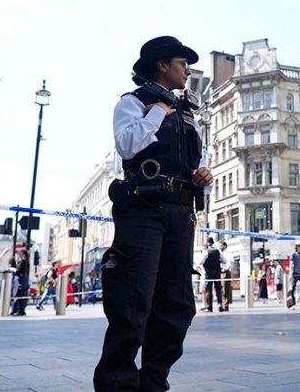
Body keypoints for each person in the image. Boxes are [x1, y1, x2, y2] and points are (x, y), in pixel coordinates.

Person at [94, 36, 214, 392]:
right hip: (142, 210)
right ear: (162, 65)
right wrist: (158, 111)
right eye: (182, 63)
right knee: (133, 301)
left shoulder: (189, 114)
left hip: (180, 213)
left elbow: (199, 159)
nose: (188, 71)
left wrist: (203, 176)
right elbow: (127, 145)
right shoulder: (133, 103)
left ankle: (153, 383)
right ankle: (117, 385)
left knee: (176, 305)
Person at [196, 237, 228, 312]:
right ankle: (220, 305)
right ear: (213, 243)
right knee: (218, 289)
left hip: (209, 273)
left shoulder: (206, 252)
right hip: (217, 273)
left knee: (209, 290)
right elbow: (225, 261)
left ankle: (209, 307)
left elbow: (199, 262)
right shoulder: (218, 251)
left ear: (207, 243)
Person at [12, 248, 31, 315]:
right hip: (25, 281)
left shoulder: (22, 262)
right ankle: (22, 310)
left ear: (23, 254)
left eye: (20, 254)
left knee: (17, 295)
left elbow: (18, 271)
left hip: (20, 281)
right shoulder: (27, 262)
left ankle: (15, 310)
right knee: (23, 297)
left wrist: (13, 269)